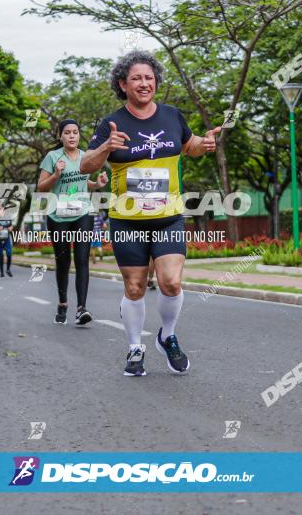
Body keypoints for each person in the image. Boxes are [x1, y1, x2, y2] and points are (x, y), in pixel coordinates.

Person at [81, 50, 221, 376]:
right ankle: (134, 348)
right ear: (123, 84)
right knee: (135, 288)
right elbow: (86, 165)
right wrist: (105, 147)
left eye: (149, 78)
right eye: (136, 79)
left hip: (169, 215)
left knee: (171, 282)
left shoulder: (172, 116)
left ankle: (167, 336)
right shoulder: (111, 123)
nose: (145, 83)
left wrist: (206, 143)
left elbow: (189, 146)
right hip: (127, 219)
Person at [37, 118, 108, 325]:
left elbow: (87, 184)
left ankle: (81, 308)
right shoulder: (52, 157)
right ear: (60, 136)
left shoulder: (86, 156)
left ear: (79, 135)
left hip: (82, 214)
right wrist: (56, 175)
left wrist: (98, 184)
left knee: (82, 259)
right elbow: (42, 187)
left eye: (75, 132)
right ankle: (62, 303)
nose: (71, 136)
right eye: (67, 132)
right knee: (63, 261)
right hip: (58, 216)